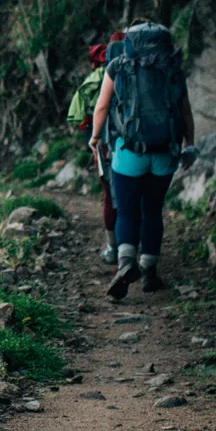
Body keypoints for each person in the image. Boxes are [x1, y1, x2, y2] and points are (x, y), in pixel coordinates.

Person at [89, 21, 194, 298]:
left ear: (129, 43)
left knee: (127, 210)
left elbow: (102, 106)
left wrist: (95, 137)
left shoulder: (117, 66)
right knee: (153, 210)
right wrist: (190, 144)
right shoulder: (173, 68)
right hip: (165, 152)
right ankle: (150, 271)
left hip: (129, 152)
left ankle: (125, 263)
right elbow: (185, 112)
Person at [64, 34, 122, 265]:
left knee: (110, 196)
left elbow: (85, 116)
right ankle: (143, 251)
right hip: (140, 144)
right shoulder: (140, 70)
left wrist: (94, 137)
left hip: (105, 148)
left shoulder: (96, 79)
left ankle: (113, 247)